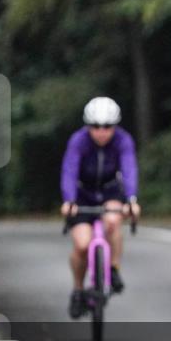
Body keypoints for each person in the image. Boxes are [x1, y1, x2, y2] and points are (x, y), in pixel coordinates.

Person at [60, 97, 141, 318]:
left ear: (115, 126)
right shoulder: (78, 141)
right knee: (82, 245)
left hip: (109, 190)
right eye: (96, 126)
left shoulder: (123, 140)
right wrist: (69, 201)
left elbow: (129, 168)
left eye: (107, 127)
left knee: (114, 220)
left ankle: (113, 269)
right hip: (82, 193)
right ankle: (78, 289)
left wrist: (132, 200)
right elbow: (69, 170)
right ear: (88, 126)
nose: (102, 132)